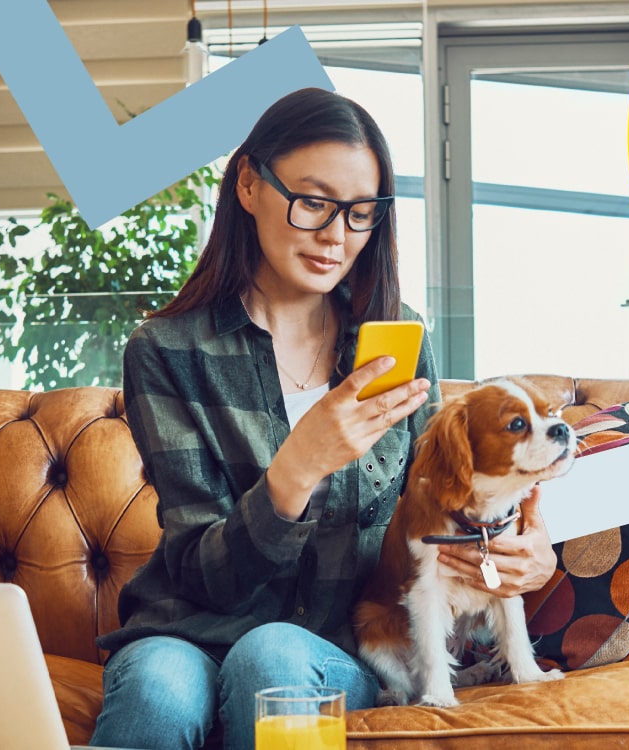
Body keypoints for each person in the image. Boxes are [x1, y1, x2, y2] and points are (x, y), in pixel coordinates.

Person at [91, 87, 556, 750]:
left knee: (273, 656)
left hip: (335, 641)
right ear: (249, 184)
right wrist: (297, 468)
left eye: (361, 213)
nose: (337, 236)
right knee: (156, 686)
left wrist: (530, 552)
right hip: (188, 626)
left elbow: (436, 507)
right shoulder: (168, 351)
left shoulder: (397, 345)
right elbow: (203, 574)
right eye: (313, 202)